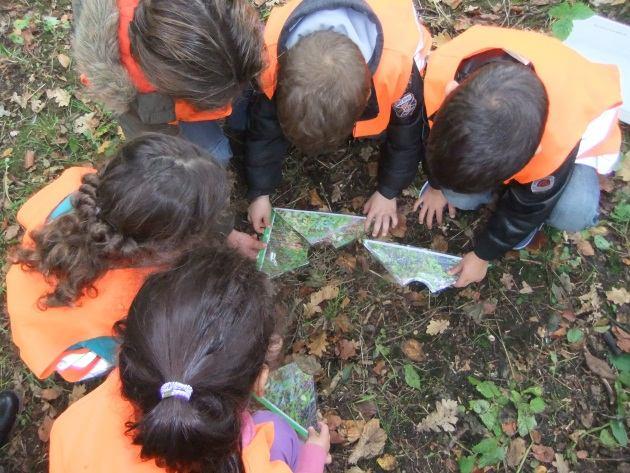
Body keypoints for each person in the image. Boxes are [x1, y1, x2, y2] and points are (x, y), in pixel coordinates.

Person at [49, 246, 331, 473]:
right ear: (261, 381)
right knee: (278, 430)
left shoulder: (72, 427)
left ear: (127, 353)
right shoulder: (257, 462)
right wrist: (313, 458)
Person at [6, 134, 261, 382]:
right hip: (71, 346)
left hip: (35, 293)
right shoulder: (132, 302)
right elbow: (137, 354)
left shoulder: (82, 188)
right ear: (166, 245)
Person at [414, 25, 622, 288]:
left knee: (572, 211)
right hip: (522, 121)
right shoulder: (442, 73)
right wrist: (436, 186)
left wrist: (483, 255)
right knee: (459, 195)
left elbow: (529, 207)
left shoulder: (557, 141)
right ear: (449, 93)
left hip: (576, 145)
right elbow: (434, 140)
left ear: (534, 154)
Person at [245, 0, 431, 237]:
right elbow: (263, 129)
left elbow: (407, 134)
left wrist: (388, 192)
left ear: (366, 98)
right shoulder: (269, 60)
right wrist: (259, 192)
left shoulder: (398, 72)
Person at [72, 0, 264, 164]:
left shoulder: (216, 19)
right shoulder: (119, 76)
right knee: (213, 154)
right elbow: (148, 135)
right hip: (154, 110)